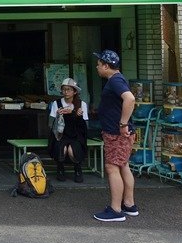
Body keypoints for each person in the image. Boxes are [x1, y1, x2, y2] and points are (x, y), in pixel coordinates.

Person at [92, 49, 138, 222]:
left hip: (116, 133)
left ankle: (116, 209)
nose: (97, 67)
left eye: (98, 65)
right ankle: (129, 204)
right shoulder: (117, 79)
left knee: (112, 167)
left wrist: (123, 124)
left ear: (106, 65)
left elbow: (130, 99)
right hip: (118, 132)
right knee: (123, 165)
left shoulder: (115, 80)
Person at [47, 77, 89, 182]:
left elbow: (85, 127)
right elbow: (50, 124)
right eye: (64, 89)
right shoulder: (56, 103)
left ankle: (78, 169)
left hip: (76, 134)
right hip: (60, 134)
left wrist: (77, 115)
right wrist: (57, 116)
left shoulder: (81, 104)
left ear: (75, 91)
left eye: (69, 89)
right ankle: (60, 169)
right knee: (62, 148)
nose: (66, 92)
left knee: (72, 150)